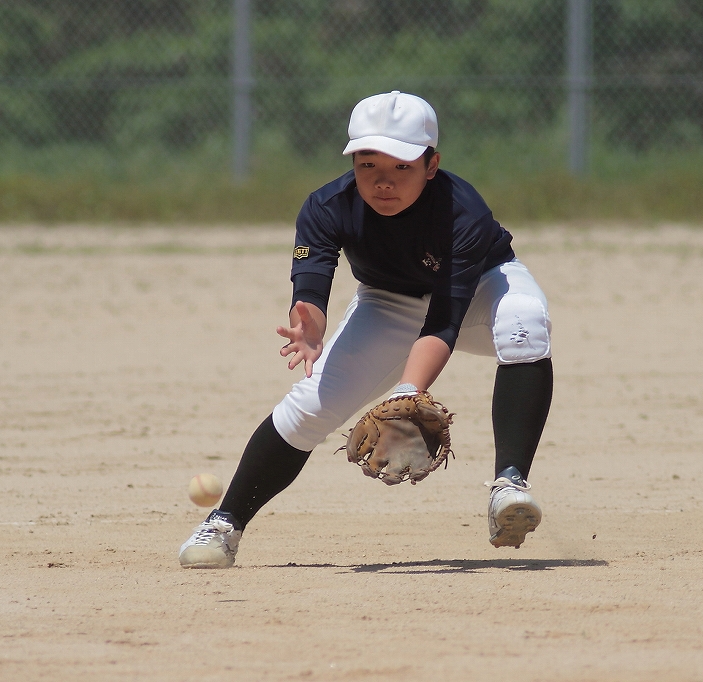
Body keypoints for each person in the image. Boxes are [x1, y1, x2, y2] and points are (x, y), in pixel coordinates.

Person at [179, 91, 553, 569]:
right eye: (368, 164)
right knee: (308, 407)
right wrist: (309, 323)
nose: (383, 182)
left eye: (401, 167)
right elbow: (311, 286)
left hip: (482, 292)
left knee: (526, 321)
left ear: (431, 165)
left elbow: (445, 319)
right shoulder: (327, 206)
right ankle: (224, 524)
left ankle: (509, 485)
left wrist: (408, 395)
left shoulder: (463, 212)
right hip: (388, 301)